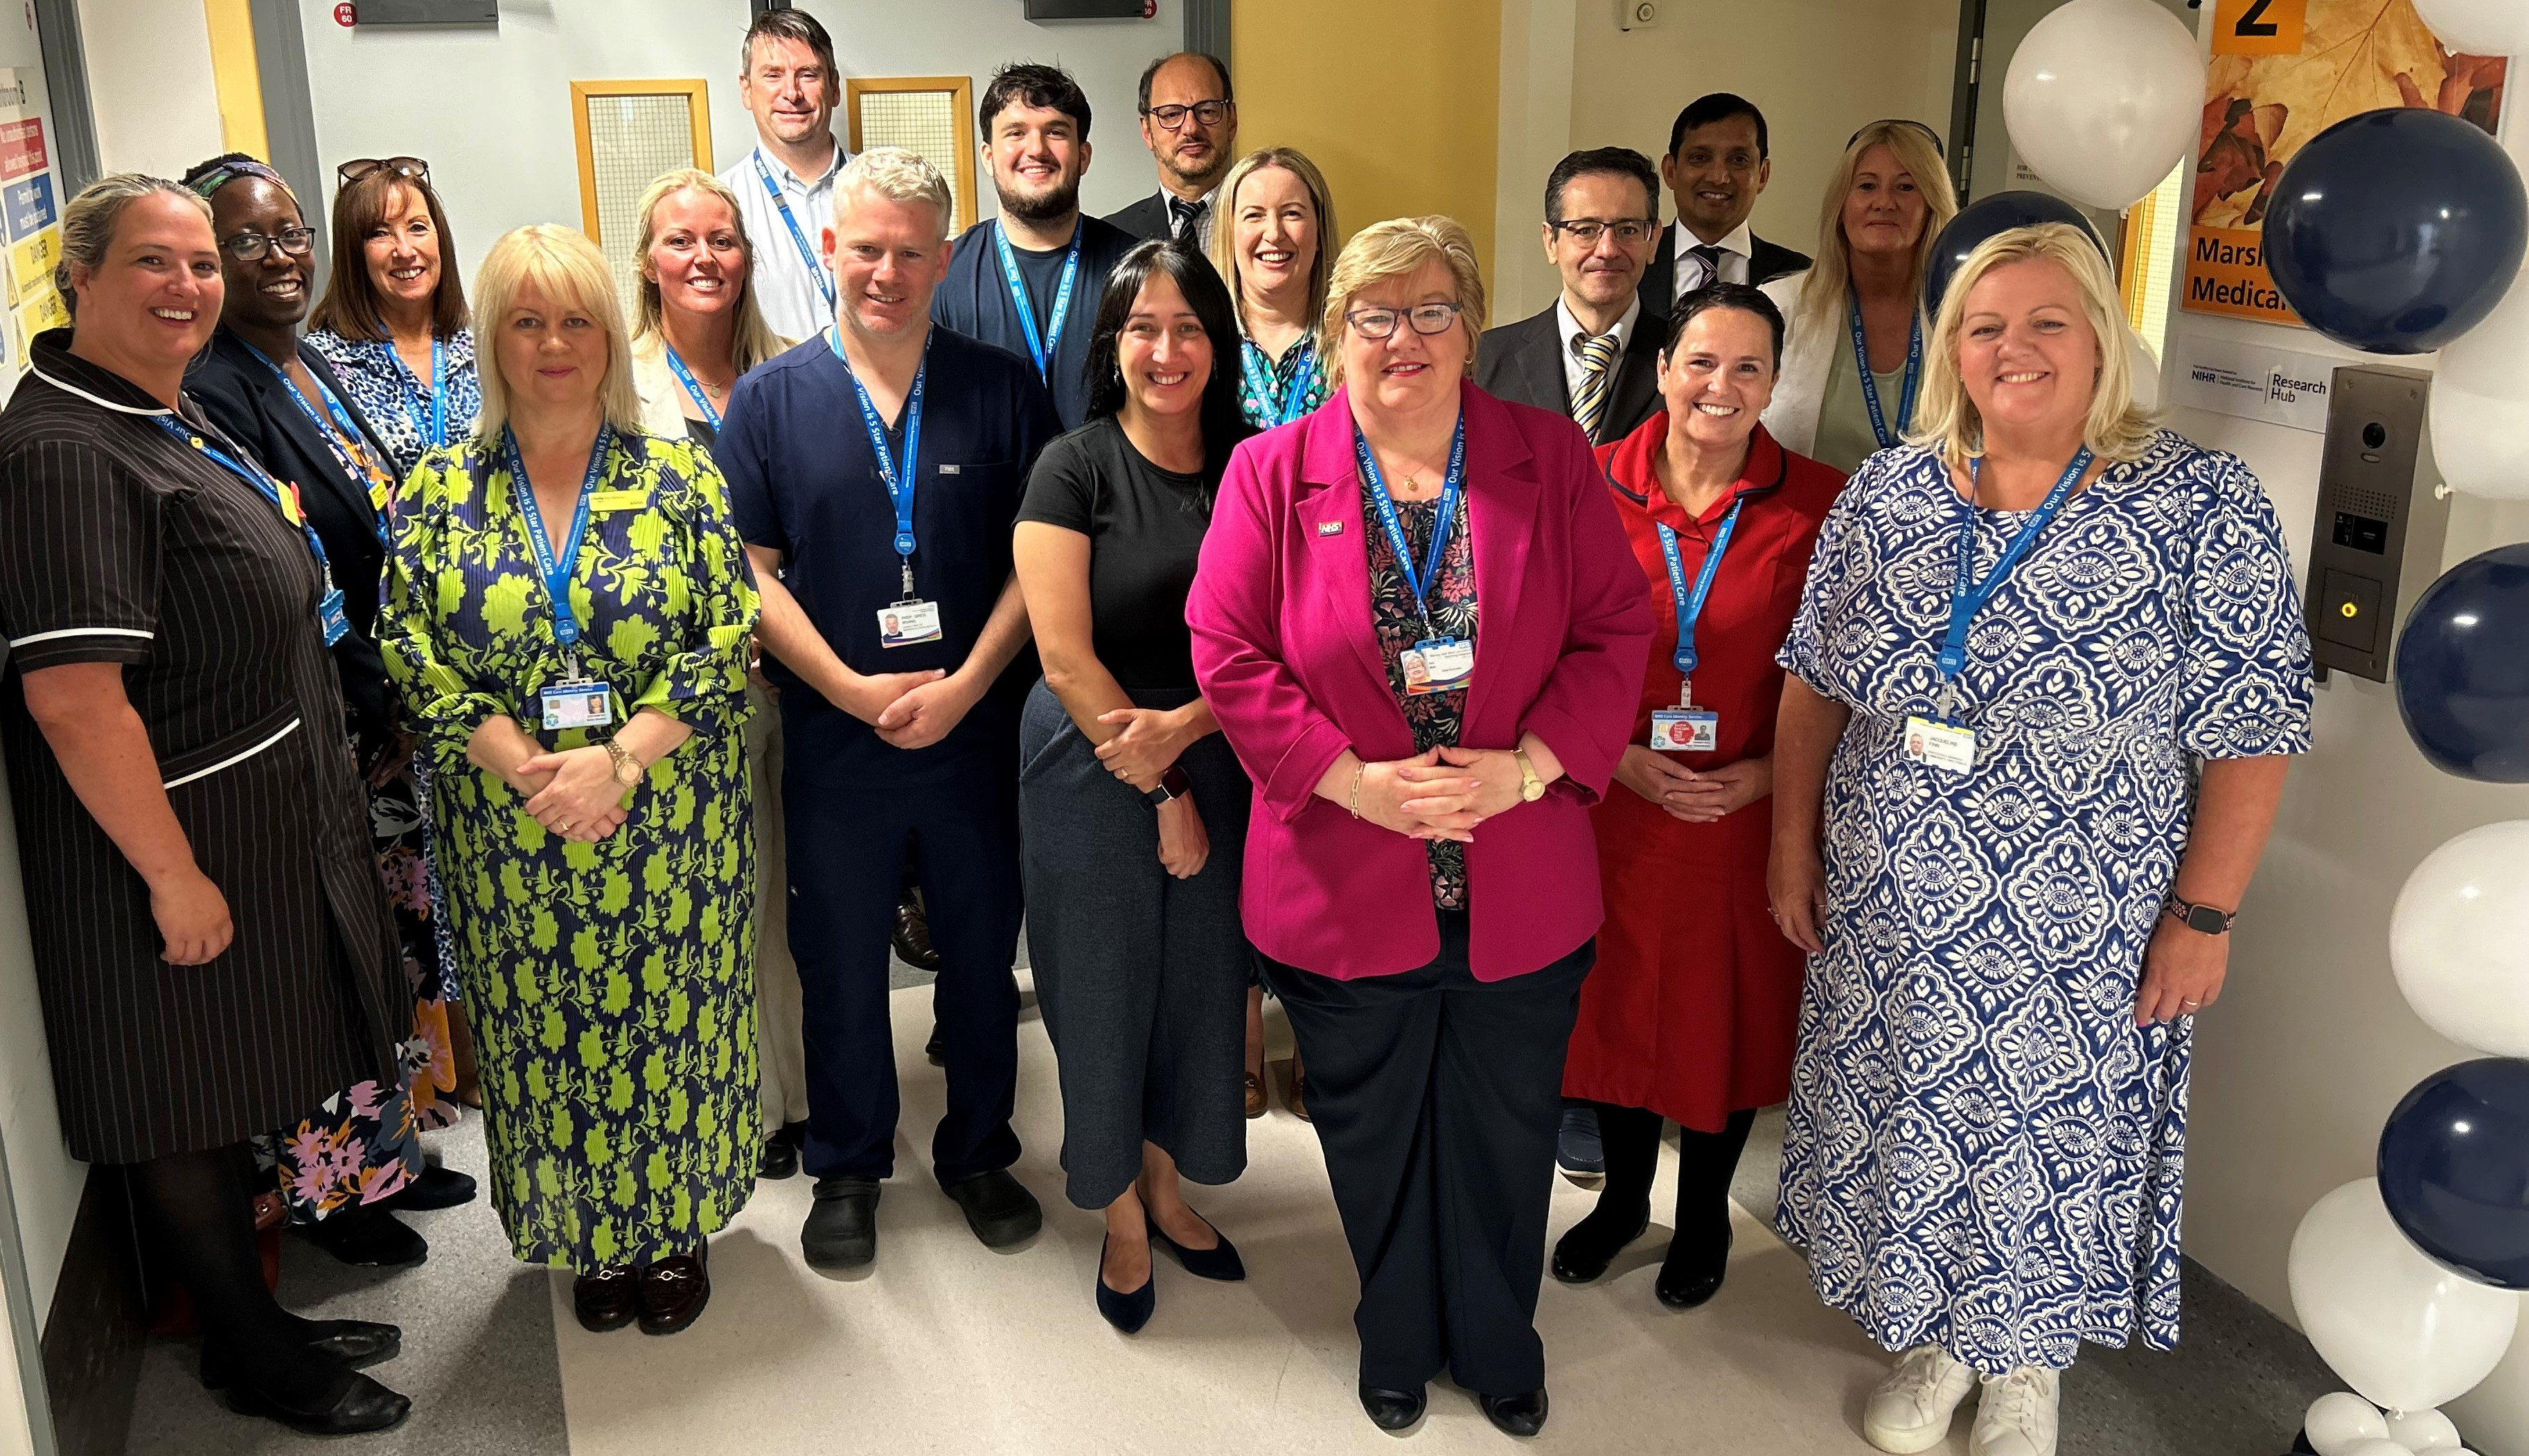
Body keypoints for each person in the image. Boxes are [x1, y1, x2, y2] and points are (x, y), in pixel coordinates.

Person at [1767, 224, 2312, 1456]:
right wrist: (1787, 847)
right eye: (1983, 326)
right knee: (1913, 1111)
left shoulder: (2195, 503)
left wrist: (2204, 912)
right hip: (1892, 895)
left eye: (2045, 323)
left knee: (2039, 1132)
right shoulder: (1892, 494)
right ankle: (1937, 1332)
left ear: (2101, 344)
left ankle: (2025, 1362)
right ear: (1951, 351)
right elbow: (1812, 681)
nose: (2012, 349)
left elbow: (2255, 723)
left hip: (2085, 911)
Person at [1187, 215, 1652, 1438]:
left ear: (1472, 325)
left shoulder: (1549, 458)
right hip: (1345, 871)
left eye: (1435, 309)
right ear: (1337, 335)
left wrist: (1531, 768)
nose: (1406, 337)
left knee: (1504, 1131)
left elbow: (1615, 632)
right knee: (1374, 1130)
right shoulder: (1269, 473)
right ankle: (1394, 1327)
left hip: (1522, 865)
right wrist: (1351, 782)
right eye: (1376, 315)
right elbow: (1225, 650)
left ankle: (1500, 1338)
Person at [0, 175, 409, 1434]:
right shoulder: (66, 451)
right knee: (182, 1104)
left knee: (226, 1090)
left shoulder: (148, 415)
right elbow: (76, 701)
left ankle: (256, 1321)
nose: (188, 286)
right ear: (79, 278)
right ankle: (248, 1352)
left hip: (248, 822)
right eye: (153, 263)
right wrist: (172, 873)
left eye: (200, 265)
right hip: (161, 853)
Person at [378, 224, 761, 1339]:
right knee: (546, 1034)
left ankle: (675, 1222)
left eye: (577, 319)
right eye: (527, 320)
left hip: (670, 819)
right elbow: (411, 645)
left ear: (610, 332)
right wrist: (529, 768)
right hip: (510, 829)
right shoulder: (440, 488)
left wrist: (620, 758)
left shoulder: (680, 470)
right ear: (490, 337)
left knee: (671, 1017)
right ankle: (592, 1234)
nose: (554, 343)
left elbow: (723, 630)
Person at [721, 148, 1061, 1270]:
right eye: (865, 247)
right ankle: (850, 1159)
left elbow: (1039, 565)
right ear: (829, 248)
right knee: (838, 954)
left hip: (973, 730)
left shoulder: (1001, 388)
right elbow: (751, 573)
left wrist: (966, 684)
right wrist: (848, 688)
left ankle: (978, 1147)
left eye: (912, 251)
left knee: (976, 951)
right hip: (838, 732)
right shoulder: (771, 400)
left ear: (946, 256)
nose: (886, 270)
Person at [181, 153, 481, 1266]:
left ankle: (385, 1152)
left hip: (376, 717)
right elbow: (288, 570)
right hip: (323, 721)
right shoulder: (216, 385)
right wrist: (379, 695)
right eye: (248, 241)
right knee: (322, 963)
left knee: (386, 952)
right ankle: (333, 1192)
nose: (280, 257)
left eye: (290, 232)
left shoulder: (298, 359)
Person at [1550, 283, 1843, 1311]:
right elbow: (1541, 647)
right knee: (1614, 1007)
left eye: (1746, 368)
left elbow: (1845, 679)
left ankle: (1707, 1214)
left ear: (1772, 384)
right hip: (1610, 800)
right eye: (1700, 363)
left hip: (1741, 813)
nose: (1719, 386)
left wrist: (1764, 779)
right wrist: (1616, 758)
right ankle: (1624, 1199)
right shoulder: (1584, 484)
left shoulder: (1821, 502)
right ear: (1663, 369)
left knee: (1718, 1019)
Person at [1013, 239, 1257, 1331]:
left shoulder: (1256, 462)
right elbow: (1063, 654)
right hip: (1090, 748)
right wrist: (1163, 789)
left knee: (1202, 990)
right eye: (1141, 330)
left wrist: (1198, 731)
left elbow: (1290, 636)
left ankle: (1168, 1182)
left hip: (1225, 743)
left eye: (1188, 328)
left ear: (1219, 341)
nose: (1165, 351)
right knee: (1102, 992)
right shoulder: (1072, 465)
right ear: (1112, 345)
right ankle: (1117, 1210)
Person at [622, 166, 811, 1181]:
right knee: (719, 900)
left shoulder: (789, 369)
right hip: (690, 695)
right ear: (648, 262)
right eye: (680, 240)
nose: (704, 258)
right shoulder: (621, 387)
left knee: (800, 895)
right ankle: (748, 1100)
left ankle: (803, 1088)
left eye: (724, 239)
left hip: (800, 676)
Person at [1205, 144, 1338, 1112]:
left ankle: (1322, 1043)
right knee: (1224, 828)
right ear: (1227, 230)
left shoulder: (1352, 336)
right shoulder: (1197, 334)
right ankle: (1239, 1037)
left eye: (1293, 213)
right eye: (1254, 214)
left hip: (1333, 613)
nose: (1273, 233)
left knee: (1322, 826)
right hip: (1223, 598)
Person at [934, 62, 1139, 429]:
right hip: (992, 488)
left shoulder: (1138, 271)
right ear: (988, 156)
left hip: (1107, 486)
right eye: (1015, 133)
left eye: (1055, 132)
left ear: (1084, 155)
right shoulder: (943, 274)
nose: (1036, 149)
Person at [1759, 119, 1958, 474]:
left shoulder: (1965, 316)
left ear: (1932, 206)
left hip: (1930, 527)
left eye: (1906, 187)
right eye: (1866, 186)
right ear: (1841, 206)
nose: (1884, 202)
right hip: (1806, 524)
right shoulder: (1778, 308)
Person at [1475, 147, 1668, 447]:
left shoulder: (1686, 360)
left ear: (1653, 240)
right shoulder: (1484, 359)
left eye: (1628, 230)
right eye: (1586, 230)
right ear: (1550, 241)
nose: (1607, 250)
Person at [305, 158, 480, 479]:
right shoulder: (320, 367)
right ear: (354, 255)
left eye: (417, 228)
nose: (405, 250)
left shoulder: (485, 348)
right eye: (380, 233)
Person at [718, 8, 849, 344]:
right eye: (773, 75)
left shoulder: (882, 192)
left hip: (879, 393)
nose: (792, 93)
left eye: (808, 74)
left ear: (834, 87)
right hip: (768, 394)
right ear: (746, 89)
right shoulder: (721, 206)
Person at [1638, 94, 1811, 310]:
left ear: (1763, 175)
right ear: (1670, 171)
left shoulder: (1802, 279)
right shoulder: (1631, 263)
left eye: (1739, 160)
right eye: (1700, 158)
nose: (1719, 178)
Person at [1105, 52, 1237, 249]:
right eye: (1171, 114)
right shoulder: (1110, 237)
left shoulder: (1269, 229)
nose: (1191, 128)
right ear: (1147, 130)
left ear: (1232, 121)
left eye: (1207, 111)